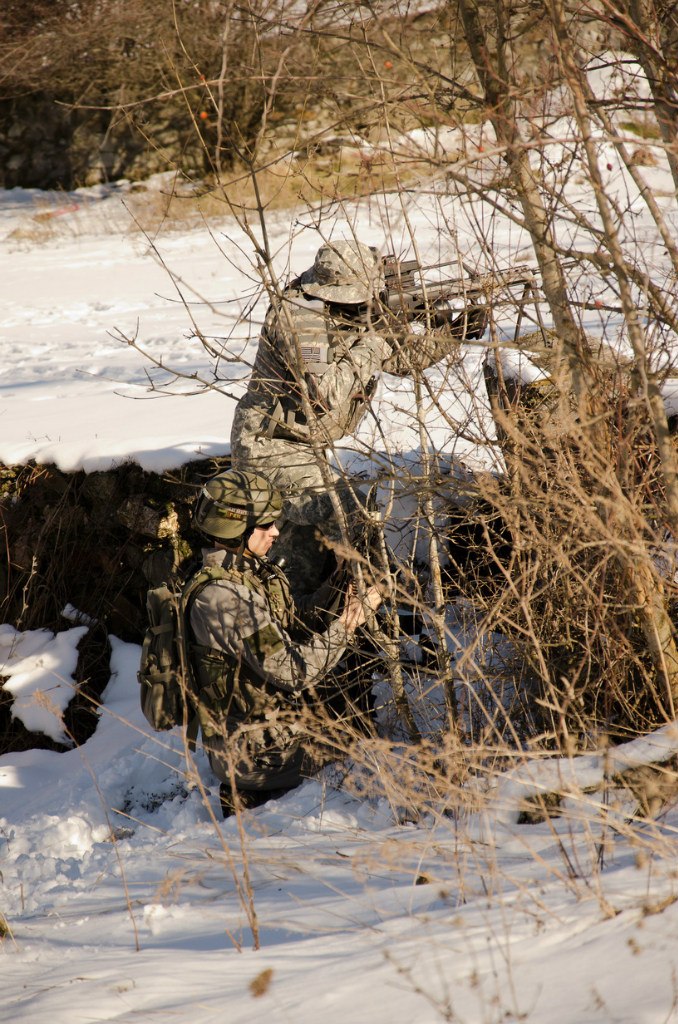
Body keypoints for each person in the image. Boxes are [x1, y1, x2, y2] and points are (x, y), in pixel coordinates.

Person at [230, 238, 485, 600]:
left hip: (307, 450)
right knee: (347, 507)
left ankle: (306, 625)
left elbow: (401, 362)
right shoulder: (298, 318)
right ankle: (377, 607)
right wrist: (377, 338)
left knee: (295, 574)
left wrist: (453, 334)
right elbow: (326, 393)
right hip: (270, 448)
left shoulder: (345, 313)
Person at [186, 468, 382, 818]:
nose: (276, 532)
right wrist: (349, 623)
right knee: (371, 752)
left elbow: (289, 623)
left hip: (271, 732)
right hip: (256, 755)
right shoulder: (224, 598)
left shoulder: (245, 574)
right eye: (265, 526)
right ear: (236, 529)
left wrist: (337, 586)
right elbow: (292, 671)